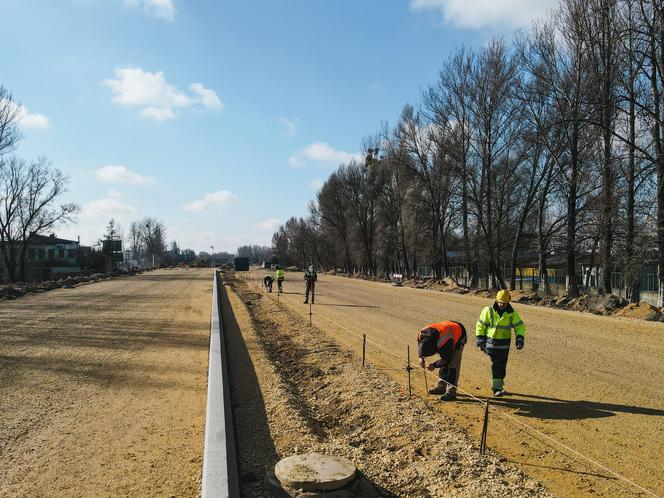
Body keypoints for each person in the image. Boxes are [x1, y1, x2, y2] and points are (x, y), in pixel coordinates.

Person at [475, 289, 526, 397]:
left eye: (504, 303)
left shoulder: (511, 313)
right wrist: (480, 339)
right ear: (496, 300)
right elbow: (481, 325)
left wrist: (520, 338)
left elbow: (519, 326)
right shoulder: (488, 310)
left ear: (508, 302)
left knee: (502, 365)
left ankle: (500, 385)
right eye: (500, 302)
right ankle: (496, 388)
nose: (502, 305)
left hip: (504, 344)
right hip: (491, 343)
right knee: (496, 364)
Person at [417, 320, 467, 401]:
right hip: (447, 328)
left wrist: (434, 365)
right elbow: (419, 344)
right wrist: (421, 357)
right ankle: (441, 387)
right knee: (444, 363)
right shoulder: (422, 334)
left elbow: (446, 359)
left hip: (459, 333)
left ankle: (451, 392)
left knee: (452, 364)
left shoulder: (444, 341)